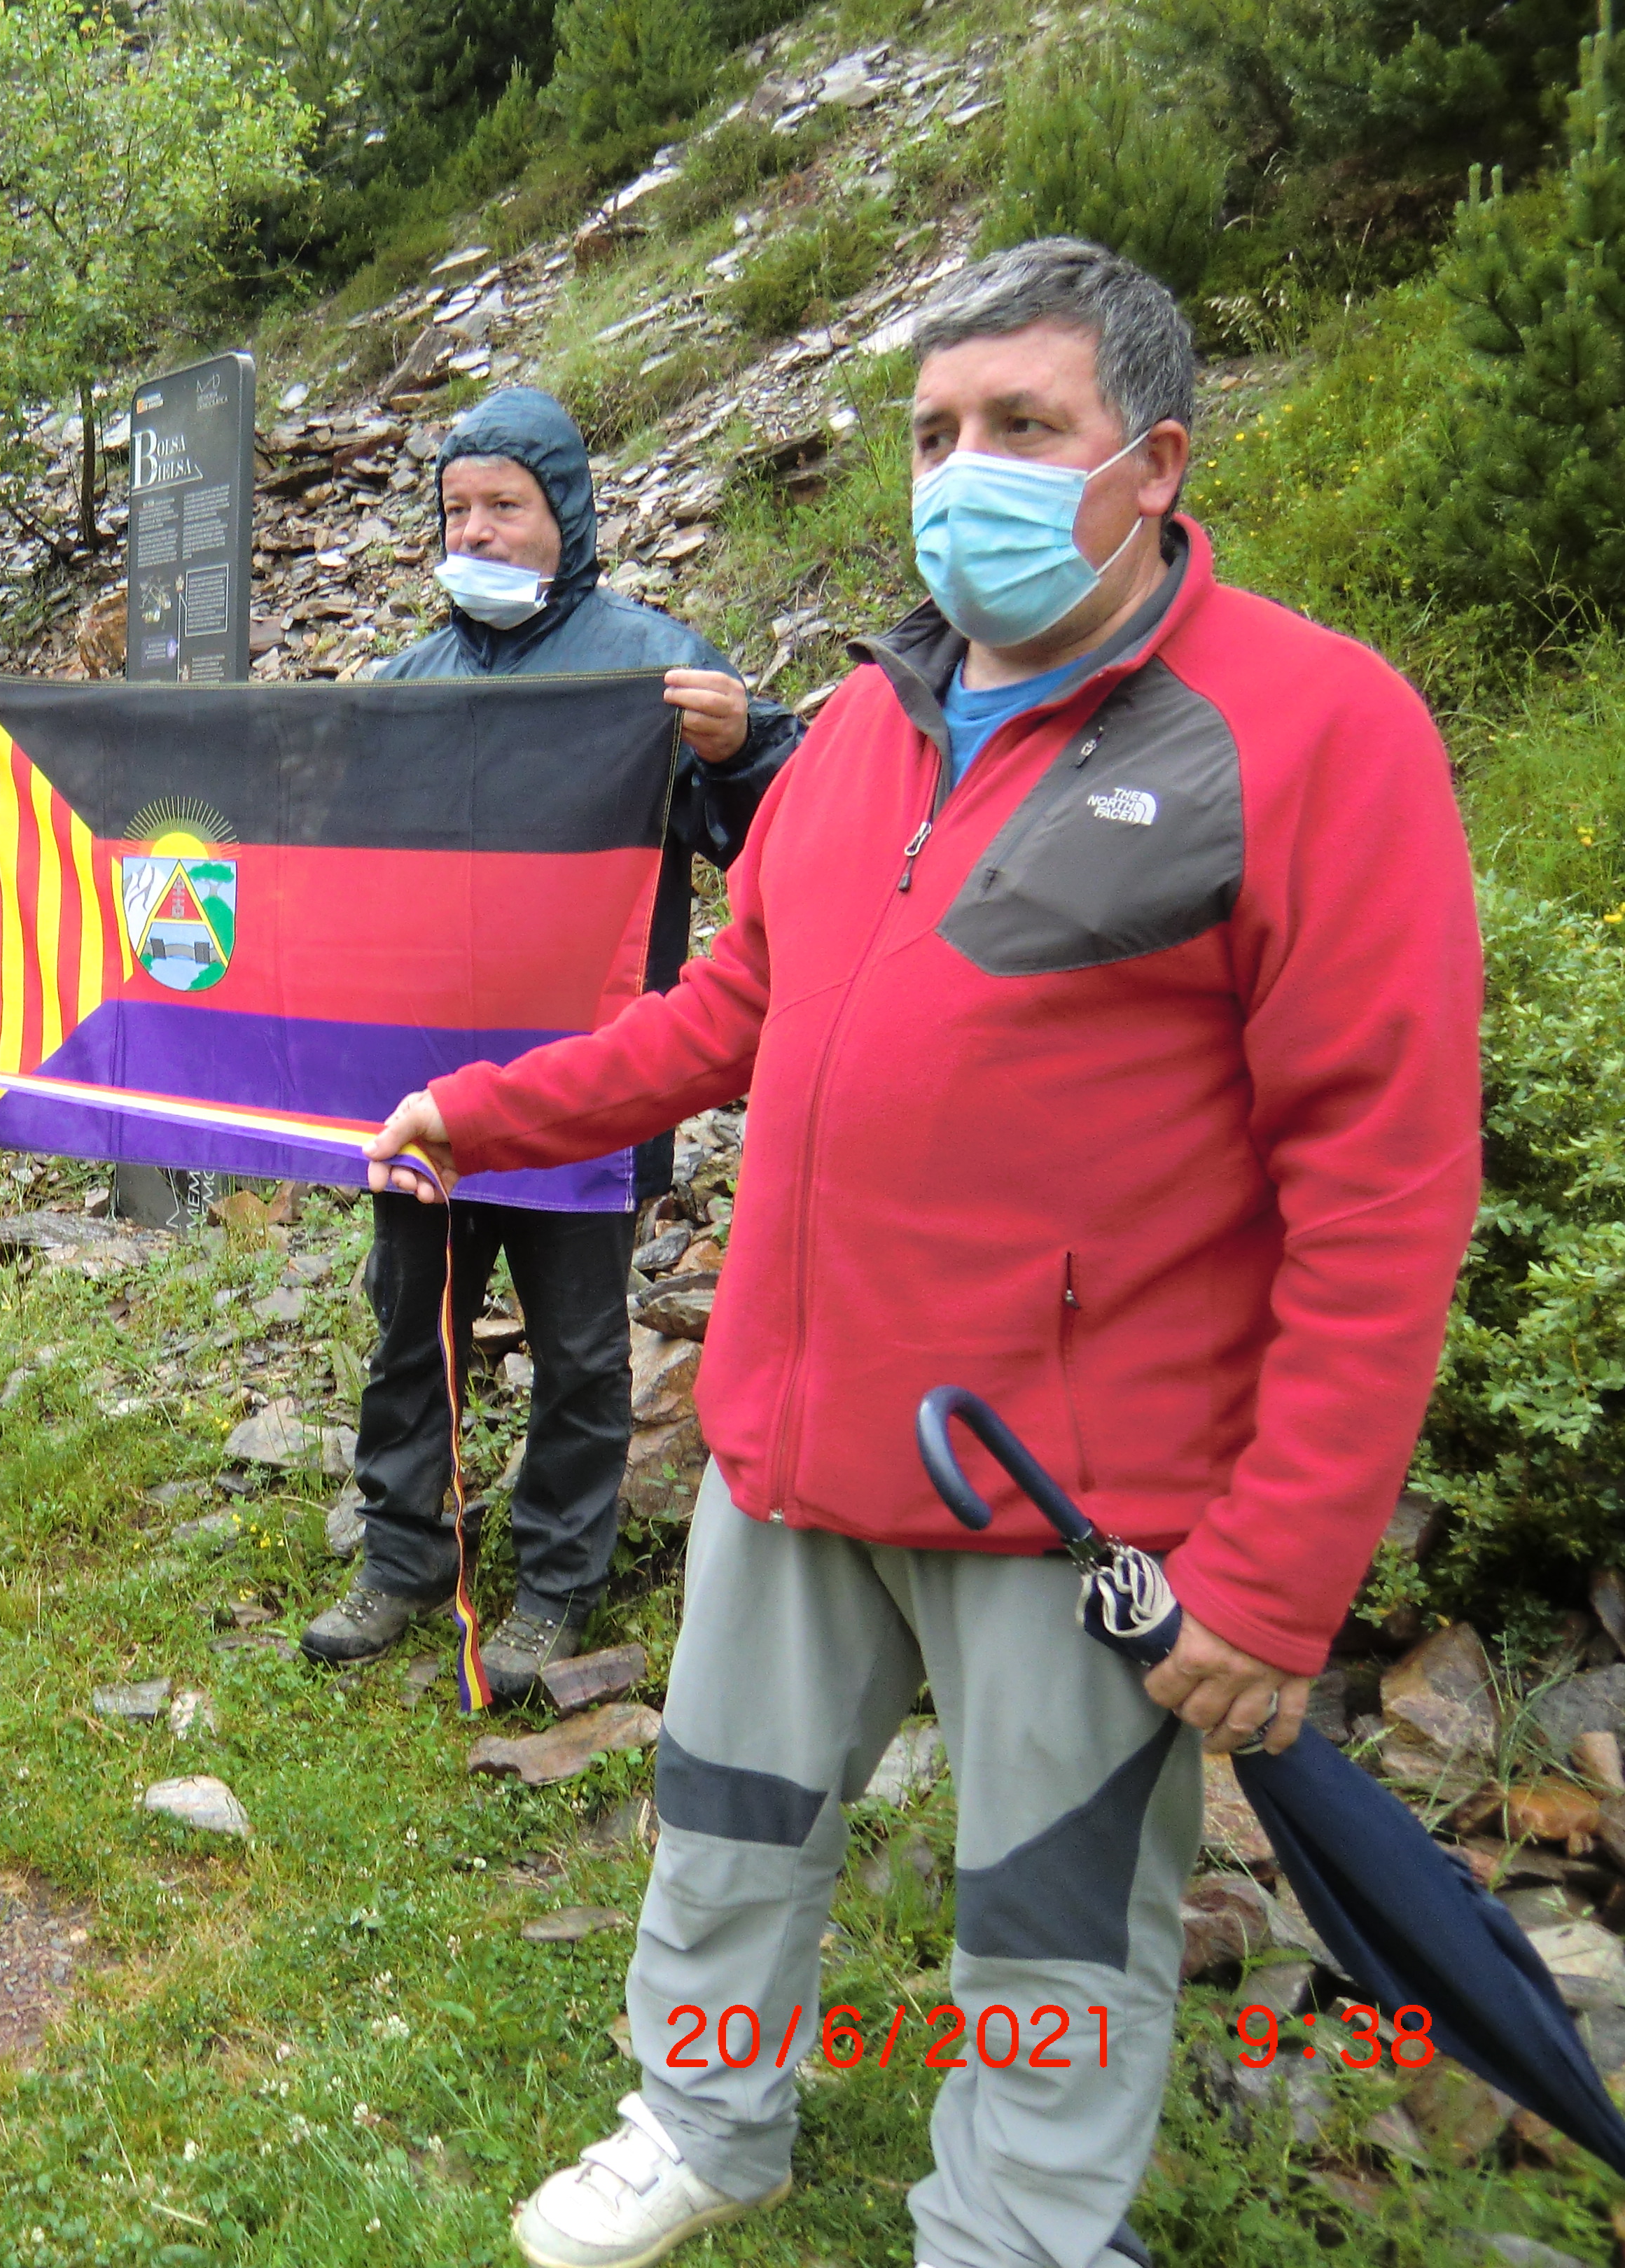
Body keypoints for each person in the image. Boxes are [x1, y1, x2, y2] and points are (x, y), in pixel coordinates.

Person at [368, 239, 1481, 2268]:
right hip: (795, 1434)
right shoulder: (870, 728)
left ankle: (1021, 2226)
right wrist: (484, 1109)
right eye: (934, 431)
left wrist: (1281, 1568)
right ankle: (704, 2120)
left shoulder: (1315, 731)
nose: (962, 472)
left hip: (1066, 1485)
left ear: (1153, 462)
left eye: (1022, 427)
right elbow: (730, 1016)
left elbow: (1384, 1182)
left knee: (1055, 1905)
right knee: (725, 1819)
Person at [299, 386, 800, 1702]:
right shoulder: (408, 683)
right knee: (412, 1326)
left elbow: (784, 838)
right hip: (428, 1092)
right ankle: (403, 1559)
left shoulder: (654, 667)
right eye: (456, 509)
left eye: (504, 507)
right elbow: (347, 875)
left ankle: (559, 1583)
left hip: (592, 1089)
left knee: (580, 1347)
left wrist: (742, 749)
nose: (476, 532)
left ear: (565, 514)